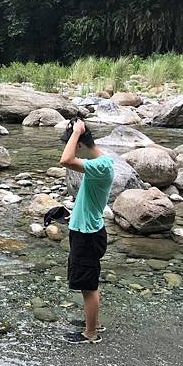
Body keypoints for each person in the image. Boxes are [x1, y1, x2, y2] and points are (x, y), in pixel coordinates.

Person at [58, 119, 114, 344]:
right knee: (87, 282)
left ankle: (91, 333)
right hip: (86, 228)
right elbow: (88, 198)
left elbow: (65, 160)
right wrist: (75, 214)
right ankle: (94, 323)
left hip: (88, 235)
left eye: (73, 142)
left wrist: (77, 132)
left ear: (79, 144)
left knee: (88, 286)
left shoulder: (100, 166)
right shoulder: (102, 163)